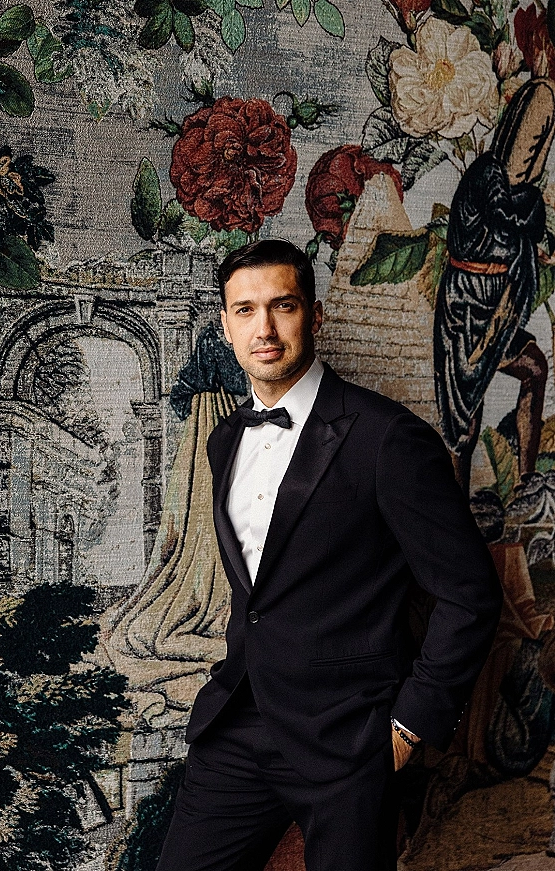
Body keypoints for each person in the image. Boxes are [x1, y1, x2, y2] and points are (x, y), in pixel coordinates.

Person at [155, 239, 503, 871]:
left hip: (349, 738)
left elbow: (470, 593)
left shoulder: (388, 439)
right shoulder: (223, 439)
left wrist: (409, 726)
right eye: (245, 310)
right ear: (227, 325)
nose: (264, 329)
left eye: (282, 306)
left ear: (314, 315)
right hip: (237, 724)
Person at [434, 78, 555, 494]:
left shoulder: (521, 190)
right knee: (466, 415)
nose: (532, 150)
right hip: (467, 306)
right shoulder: (487, 174)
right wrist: (532, 232)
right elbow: (509, 224)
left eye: (541, 141)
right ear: (513, 131)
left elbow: (528, 226)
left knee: (535, 369)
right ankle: (458, 505)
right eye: (529, 138)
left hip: (496, 305)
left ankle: (526, 482)